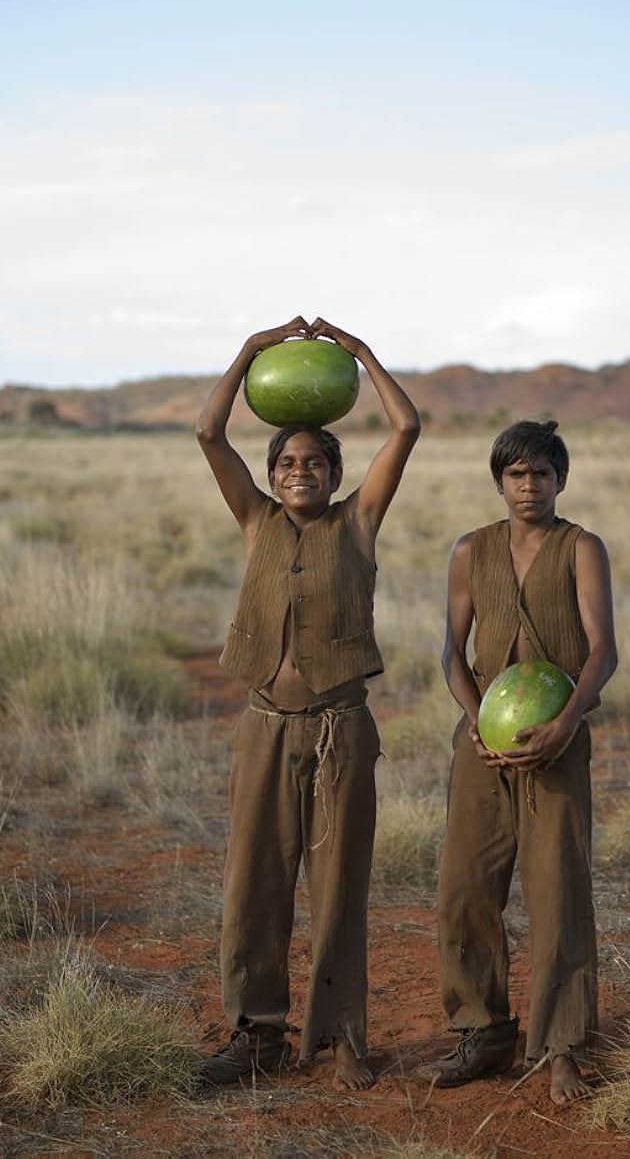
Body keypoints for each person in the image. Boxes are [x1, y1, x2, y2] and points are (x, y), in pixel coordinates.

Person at [195, 315, 420, 1091]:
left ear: (334, 471)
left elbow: (406, 426)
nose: (300, 472)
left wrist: (360, 354)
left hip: (339, 731)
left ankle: (341, 1035)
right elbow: (208, 432)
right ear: (272, 473)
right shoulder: (256, 521)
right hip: (264, 730)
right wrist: (250, 351)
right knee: (254, 884)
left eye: (315, 462)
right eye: (287, 462)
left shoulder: (357, 522)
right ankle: (255, 1032)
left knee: (337, 888)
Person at [431, 419, 617, 1104]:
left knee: (557, 892)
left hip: (556, 743)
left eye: (541, 473)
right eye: (516, 474)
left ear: (560, 480)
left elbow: (603, 651)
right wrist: (475, 720)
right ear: (499, 481)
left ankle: (561, 1046)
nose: (529, 485)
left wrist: (566, 723)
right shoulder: (470, 550)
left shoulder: (581, 548)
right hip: (481, 747)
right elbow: (452, 652)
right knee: (465, 888)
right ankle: (482, 1030)